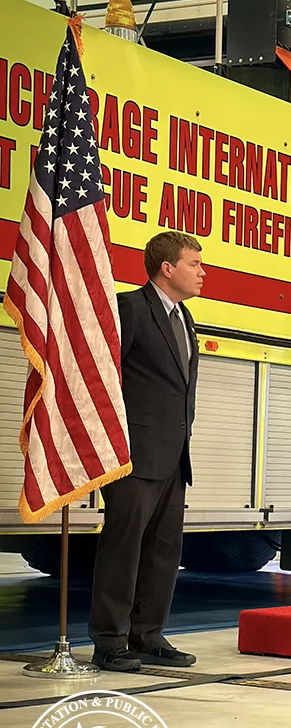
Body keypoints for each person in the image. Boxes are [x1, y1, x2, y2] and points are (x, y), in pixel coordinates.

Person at [89, 231, 204, 671]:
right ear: (167, 268)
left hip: (174, 455)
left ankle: (147, 634)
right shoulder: (131, 309)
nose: (202, 272)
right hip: (135, 455)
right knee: (123, 548)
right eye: (194, 264)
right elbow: (105, 377)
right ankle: (109, 640)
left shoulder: (185, 318)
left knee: (163, 550)